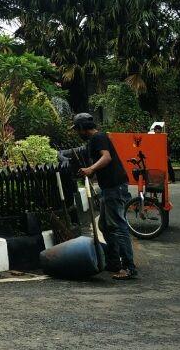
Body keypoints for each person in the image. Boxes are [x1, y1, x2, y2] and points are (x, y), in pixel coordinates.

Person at [59, 112, 138, 280]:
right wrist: (91, 172)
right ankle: (114, 262)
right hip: (109, 188)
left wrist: (91, 169)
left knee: (117, 225)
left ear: (81, 128)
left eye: (77, 129)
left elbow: (107, 158)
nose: (76, 133)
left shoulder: (98, 138)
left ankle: (128, 266)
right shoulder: (94, 140)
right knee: (104, 225)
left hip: (114, 188)